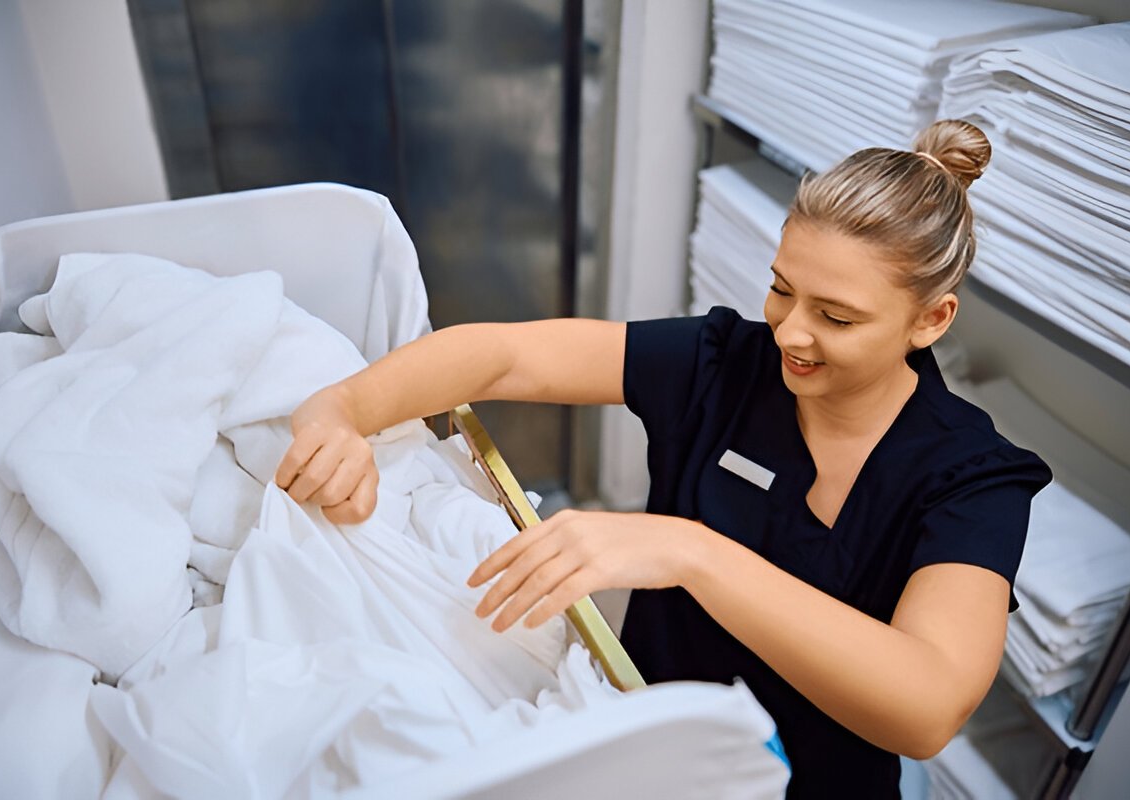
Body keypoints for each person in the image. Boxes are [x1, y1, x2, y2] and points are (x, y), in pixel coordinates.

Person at [275, 119, 1051, 798]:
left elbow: (926, 707)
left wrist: (690, 551)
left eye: (837, 317)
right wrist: (343, 408)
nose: (789, 332)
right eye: (781, 290)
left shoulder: (973, 479)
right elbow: (508, 357)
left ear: (932, 320)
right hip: (646, 744)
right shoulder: (726, 365)